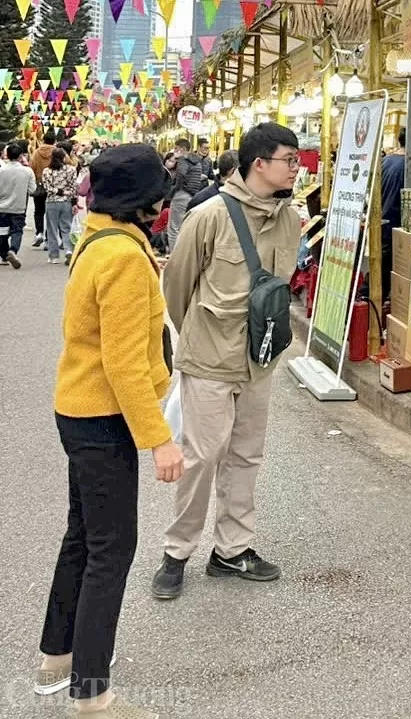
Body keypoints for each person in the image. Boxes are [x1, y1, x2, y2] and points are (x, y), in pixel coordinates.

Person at [35, 144, 183, 719]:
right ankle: (92, 694)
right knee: (111, 549)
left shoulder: (99, 238)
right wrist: (158, 438)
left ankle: (60, 655)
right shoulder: (123, 256)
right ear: (146, 201)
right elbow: (122, 362)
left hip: (79, 408)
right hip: (105, 416)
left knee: (84, 536)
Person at [153, 123, 301, 600]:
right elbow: (177, 288)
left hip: (259, 360)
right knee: (200, 457)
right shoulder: (210, 214)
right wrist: (199, 336)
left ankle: (232, 550)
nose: (297, 169)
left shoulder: (290, 219)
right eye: (289, 160)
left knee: (246, 456)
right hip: (211, 360)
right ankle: (177, 552)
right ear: (260, 164)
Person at [0, 142, 37, 268]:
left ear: (7, 155)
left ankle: (4, 255)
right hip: (18, 207)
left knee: (2, 232)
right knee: (17, 231)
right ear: (21, 156)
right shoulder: (27, 171)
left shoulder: (1, 171)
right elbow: (32, 190)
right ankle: (13, 250)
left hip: (2, 207)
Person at [167, 139, 206, 252]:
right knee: (184, 228)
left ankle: (174, 256)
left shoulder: (183, 160)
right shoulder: (197, 161)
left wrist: (173, 190)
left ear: (182, 149)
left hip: (181, 195)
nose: (174, 151)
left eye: (176, 148)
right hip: (192, 195)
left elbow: (181, 176)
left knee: (174, 228)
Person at [380, 128, 406, 301]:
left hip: (382, 222)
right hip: (395, 226)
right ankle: (369, 318)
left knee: (381, 271)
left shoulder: (386, 160)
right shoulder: (409, 165)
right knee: (386, 275)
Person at [42, 147, 78, 265]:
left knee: (52, 229)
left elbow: (47, 188)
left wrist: (58, 191)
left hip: (52, 201)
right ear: (63, 157)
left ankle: (54, 256)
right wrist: (74, 202)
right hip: (66, 202)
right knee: (66, 228)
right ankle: (68, 250)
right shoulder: (72, 170)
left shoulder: (47, 171)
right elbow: (74, 188)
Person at [30, 130, 57, 248]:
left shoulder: (36, 153)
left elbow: (31, 167)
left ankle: (39, 233)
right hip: (54, 186)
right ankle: (48, 239)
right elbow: (69, 163)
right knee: (51, 213)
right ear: (54, 141)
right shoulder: (57, 152)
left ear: (43, 140)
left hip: (39, 185)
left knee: (38, 211)